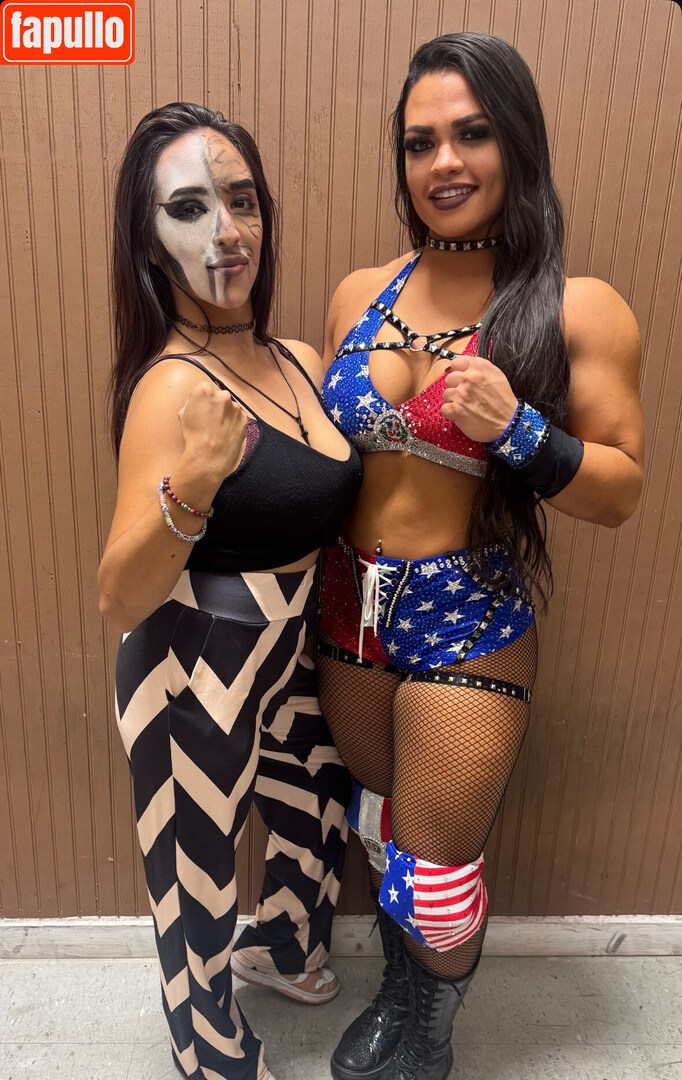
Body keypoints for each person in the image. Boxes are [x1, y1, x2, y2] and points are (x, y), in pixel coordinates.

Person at [317, 32, 644, 1080]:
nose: (444, 162)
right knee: (383, 830)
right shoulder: (358, 293)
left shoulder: (577, 307)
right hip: (348, 608)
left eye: (472, 134)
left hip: (468, 614)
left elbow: (620, 490)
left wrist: (519, 431)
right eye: (420, 142)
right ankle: (402, 990)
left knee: (435, 880)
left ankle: (432, 1021)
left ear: (518, 145)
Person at [98, 102, 362, 1080]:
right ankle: (207, 1048)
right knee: (196, 873)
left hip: (289, 647)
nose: (227, 230)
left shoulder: (296, 361)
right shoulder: (170, 388)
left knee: (319, 801)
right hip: (190, 658)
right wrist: (195, 484)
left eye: (242, 201)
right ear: (149, 241)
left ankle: (281, 949)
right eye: (189, 208)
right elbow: (119, 596)